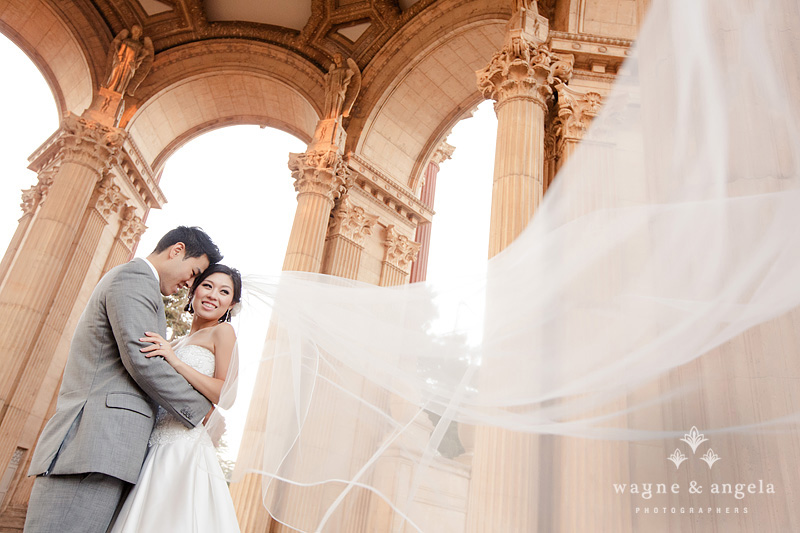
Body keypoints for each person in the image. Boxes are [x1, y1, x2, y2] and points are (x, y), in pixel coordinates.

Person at [25, 226, 222, 533]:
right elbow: (143, 361)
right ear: (176, 250)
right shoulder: (135, 279)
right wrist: (199, 409)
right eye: (193, 272)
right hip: (93, 445)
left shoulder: (142, 285)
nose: (189, 283)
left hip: (108, 449)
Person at [109, 264, 242, 532]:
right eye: (207, 285)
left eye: (224, 291)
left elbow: (224, 395)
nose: (213, 295)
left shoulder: (222, 332)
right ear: (193, 290)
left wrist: (175, 362)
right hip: (152, 443)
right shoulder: (179, 340)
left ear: (232, 304)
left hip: (183, 446)